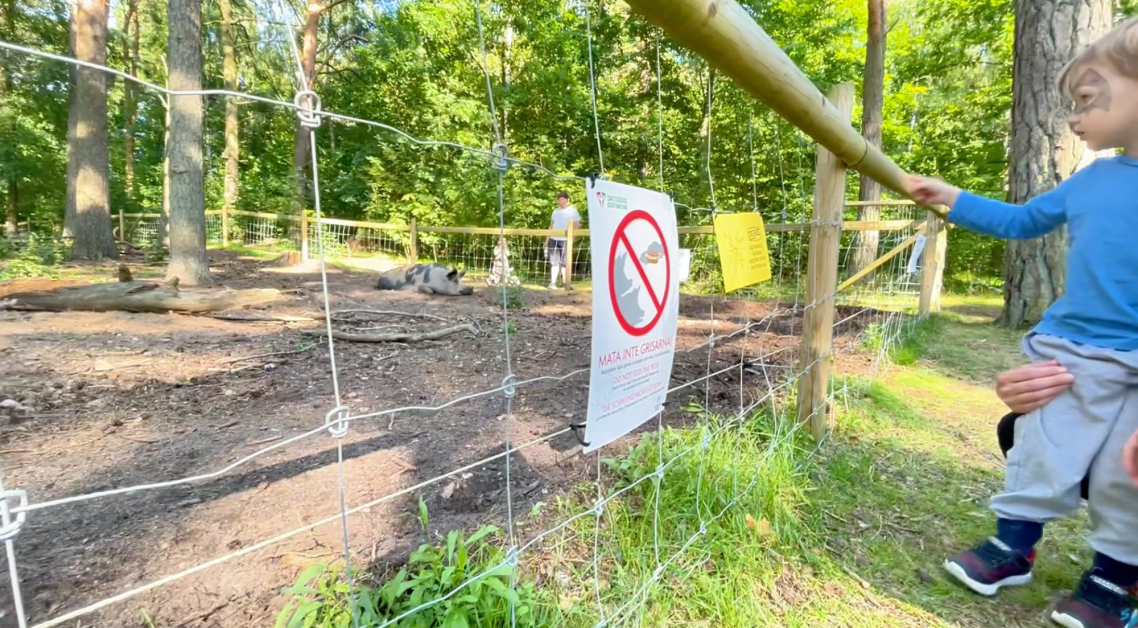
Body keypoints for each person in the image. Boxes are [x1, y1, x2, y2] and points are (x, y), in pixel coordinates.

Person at [909, 18, 1138, 628]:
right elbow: (1021, 221)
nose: (1074, 119)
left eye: (1086, 99)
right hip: (1073, 351)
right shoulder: (1093, 179)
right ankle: (1013, 547)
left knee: (1126, 477)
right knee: (1038, 446)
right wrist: (951, 197)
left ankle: (1113, 583)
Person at [544, 192, 580, 290]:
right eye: (558, 200)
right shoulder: (555, 211)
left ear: (566, 200)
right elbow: (551, 225)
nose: (559, 201)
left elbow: (576, 225)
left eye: (561, 199)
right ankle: (552, 283)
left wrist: (572, 238)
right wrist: (547, 240)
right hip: (554, 239)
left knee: (565, 262)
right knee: (554, 262)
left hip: (566, 240)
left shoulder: (572, 211)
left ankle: (566, 283)